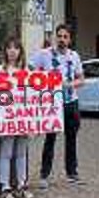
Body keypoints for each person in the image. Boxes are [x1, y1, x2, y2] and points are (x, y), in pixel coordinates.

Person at [31, 24, 84, 188]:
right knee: (50, 139)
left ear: (70, 39)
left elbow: (81, 79)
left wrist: (69, 84)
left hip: (71, 103)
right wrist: (42, 80)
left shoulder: (74, 56)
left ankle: (72, 173)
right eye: (59, 36)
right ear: (56, 37)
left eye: (65, 36)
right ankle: (44, 175)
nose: (62, 39)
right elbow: (30, 70)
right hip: (52, 104)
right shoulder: (44, 54)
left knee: (71, 139)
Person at [0, 37, 34, 198]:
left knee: (21, 153)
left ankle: (22, 185)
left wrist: (33, 122)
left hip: (23, 119)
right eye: (9, 48)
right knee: (6, 152)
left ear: (20, 51)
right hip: (6, 120)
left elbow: (34, 96)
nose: (12, 51)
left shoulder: (28, 72)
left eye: (15, 48)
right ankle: (5, 187)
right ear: (5, 51)